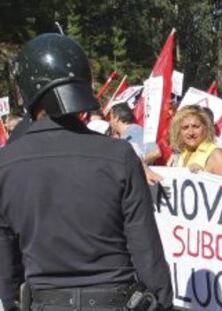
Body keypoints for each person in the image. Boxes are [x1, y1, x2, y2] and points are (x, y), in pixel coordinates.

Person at [0, 33, 173, 311]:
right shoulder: (119, 155)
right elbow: (147, 249)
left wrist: (12, 304)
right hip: (115, 301)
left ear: (29, 89)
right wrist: (162, 302)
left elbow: (7, 262)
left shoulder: (5, 164)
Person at [168, 104, 222, 180]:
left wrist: (205, 177)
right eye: (185, 128)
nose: (191, 132)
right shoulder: (182, 153)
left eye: (195, 126)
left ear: (206, 127)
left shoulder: (217, 155)